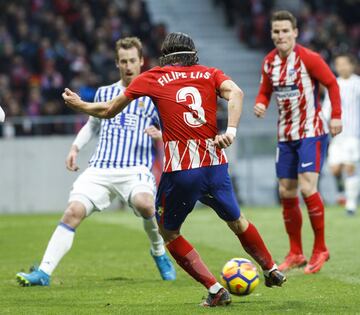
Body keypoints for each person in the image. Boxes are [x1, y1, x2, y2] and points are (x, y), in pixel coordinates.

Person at [62, 32, 286, 307]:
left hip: (182, 170)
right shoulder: (210, 73)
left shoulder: (153, 76)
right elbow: (237, 93)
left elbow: (109, 110)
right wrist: (231, 130)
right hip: (215, 164)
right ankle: (271, 269)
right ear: (193, 54)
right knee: (237, 222)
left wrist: (80, 105)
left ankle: (215, 290)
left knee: (169, 232)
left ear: (164, 55)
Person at [16, 37, 176, 286]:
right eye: (123, 61)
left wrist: (161, 134)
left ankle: (158, 252)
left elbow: (174, 129)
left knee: (146, 205)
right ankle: (44, 273)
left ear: (142, 61)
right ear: (117, 63)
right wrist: (75, 147)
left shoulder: (154, 96)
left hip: (135, 169)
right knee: (73, 212)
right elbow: (92, 125)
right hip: (101, 167)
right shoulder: (105, 92)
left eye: (133, 60)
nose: (128, 66)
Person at [254, 10, 343, 274]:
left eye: (285, 31)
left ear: (295, 32)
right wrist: (260, 103)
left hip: (310, 132)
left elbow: (332, 84)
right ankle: (296, 252)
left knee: (307, 187)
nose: (280, 35)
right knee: (286, 191)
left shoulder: (308, 58)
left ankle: (321, 248)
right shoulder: (269, 62)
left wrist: (336, 116)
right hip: (285, 135)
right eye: (276, 31)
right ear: (272, 34)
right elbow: (265, 90)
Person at [323, 54, 360, 215]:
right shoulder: (333, 84)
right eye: (339, 64)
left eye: (345, 64)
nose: (342, 67)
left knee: (350, 168)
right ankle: (341, 193)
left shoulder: (357, 83)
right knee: (335, 169)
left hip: (353, 134)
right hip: (336, 136)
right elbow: (326, 107)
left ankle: (350, 205)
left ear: (352, 66)